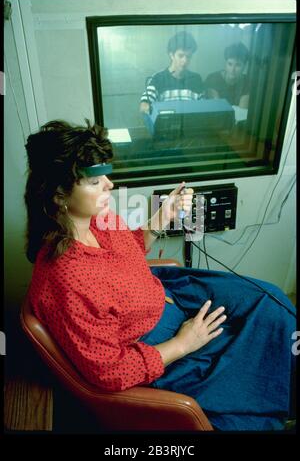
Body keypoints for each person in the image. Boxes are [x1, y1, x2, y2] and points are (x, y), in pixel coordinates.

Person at [24, 119, 296, 431]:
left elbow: (129, 250)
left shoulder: (97, 219)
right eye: (95, 182)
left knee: (272, 304)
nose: (109, 185)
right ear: (58, 195)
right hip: (156, 343)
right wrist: (183, 343)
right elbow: (109, 372)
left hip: (171, 291)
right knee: (250, 379)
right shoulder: (65, 279)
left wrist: (162, 216)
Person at [140, 31, 204, 114]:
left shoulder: (196, 79)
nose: (185, 61)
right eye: (181, 56)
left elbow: (203, 108)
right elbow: (144, 106)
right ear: (171, 55)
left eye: (188, 56)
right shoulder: (158, 78)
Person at [205, 42, 250, 109]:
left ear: (244, 66)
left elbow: (242, 111)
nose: (232, 69)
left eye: (238, 65)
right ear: (225, 63)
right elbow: (217, 109)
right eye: (230, 64)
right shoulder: (213, 78)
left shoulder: (247, 81)